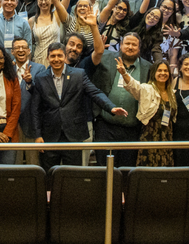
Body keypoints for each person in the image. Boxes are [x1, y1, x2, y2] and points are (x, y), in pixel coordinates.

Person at [31, 42, 127, 171]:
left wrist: (111, 107)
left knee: (72, 174)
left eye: (59, 55)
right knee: (49, 174)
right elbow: (36, 109)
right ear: (48, 58)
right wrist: (38, 135)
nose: (56, 59)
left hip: (73, 134)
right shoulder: (40, 78)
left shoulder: (79, 74)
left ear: (65, 57)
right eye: (52, 56)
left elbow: (95, 92)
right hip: (49, 135)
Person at [89, 31, 152, 167]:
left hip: (131, 129)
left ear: (139, 48)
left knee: (126, 169)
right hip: (105, 126)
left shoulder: (148, 68)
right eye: (127, 43)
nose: (130, 47)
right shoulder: (106, 58)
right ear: (120, 46)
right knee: (103, 167)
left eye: (134, 45)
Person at [120, 59, 175, 167]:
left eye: (165, 71)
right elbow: (133, 85)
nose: (163, 73)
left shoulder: (172, 93)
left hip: (167, 137)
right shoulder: (147, 89)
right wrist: (124, 73)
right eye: (159, 70)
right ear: (153, 73)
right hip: (150, 136)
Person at [10, 37, 47, 164]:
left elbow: (43, 95)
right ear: (12, 52)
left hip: (31, 123)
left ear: (29, 51)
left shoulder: (39, 68)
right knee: (15, 163)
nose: (21, 50)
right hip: (12, 124)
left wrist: (30, 82)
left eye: (24, 47)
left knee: (34, 164)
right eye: (17, 48)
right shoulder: (8, 69)